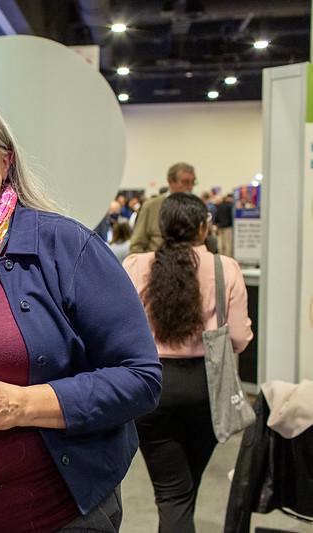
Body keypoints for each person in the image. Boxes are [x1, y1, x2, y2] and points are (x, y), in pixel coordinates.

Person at [0, 94, 162, 532]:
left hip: (50, 515)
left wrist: (22, 404)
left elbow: (141, 377)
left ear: (6, 159)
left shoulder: (65, 248)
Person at [123, 193, 253, 532]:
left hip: (151, 386)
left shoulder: (136, 266)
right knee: (182, 492)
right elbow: (239, 339)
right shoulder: (226, 268)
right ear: (202, 227)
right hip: (207, 387)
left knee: (174, 493)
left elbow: (117, 330)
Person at [130, 162, 196, 253]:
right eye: (185, 182)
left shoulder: (196, 207)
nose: (190, 187)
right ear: (170, 181)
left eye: (193, 182)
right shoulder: (151, 206)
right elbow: (136, 245)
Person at [214, 193, 234, 257]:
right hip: (228, 227)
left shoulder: (218, 206)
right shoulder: (230, 206)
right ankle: (228, 258)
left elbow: (216, 216)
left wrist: (216, 224)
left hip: (219, 226)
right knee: (228, 244)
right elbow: (231, 217)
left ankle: (220, 257)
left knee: (220, 244)